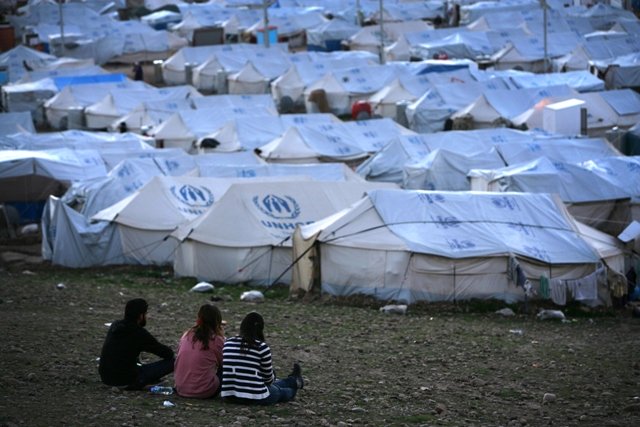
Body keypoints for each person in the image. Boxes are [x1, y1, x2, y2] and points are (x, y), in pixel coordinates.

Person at [221, 312, 303, 405]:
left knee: (267, 384)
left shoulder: (228, 343)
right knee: (279, 391)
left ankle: (294, 380)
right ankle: (295, 384)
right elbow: (268, 380)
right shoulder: (262, 347)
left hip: (229, 396)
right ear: (260, 329)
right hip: (255, 397)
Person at [99, 298, 174, 390]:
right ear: (141, 315)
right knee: (173, 362)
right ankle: (140, 383)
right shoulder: (139, 333)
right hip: (125, 380)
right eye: (145, 314)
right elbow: (167, 353)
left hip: (106, 378)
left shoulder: (115, 325)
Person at [174, 304, 225, 398]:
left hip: (180, 389)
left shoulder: (187, 334)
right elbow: (225, 362)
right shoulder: (216, 339)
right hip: (204, 391)